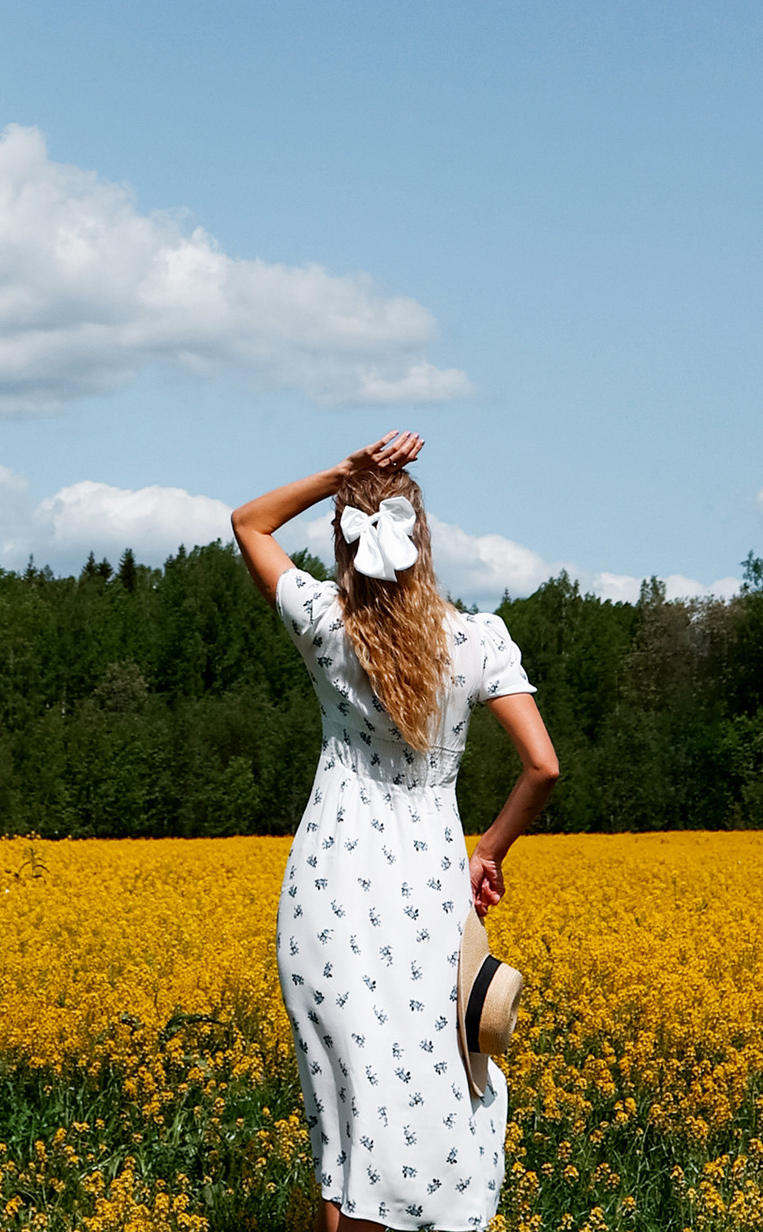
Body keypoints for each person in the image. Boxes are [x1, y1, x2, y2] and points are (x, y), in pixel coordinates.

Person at [233, 429, 560, 1232]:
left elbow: (248, 523)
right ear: (422, 540)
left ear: (346, 547)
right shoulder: (477, 641)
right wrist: (486, 850)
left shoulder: (324, 624)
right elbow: (544, 767)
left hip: (330, 884)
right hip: (427, 887)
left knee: (345, 1096)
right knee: (432, 1081)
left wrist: (342, 474)